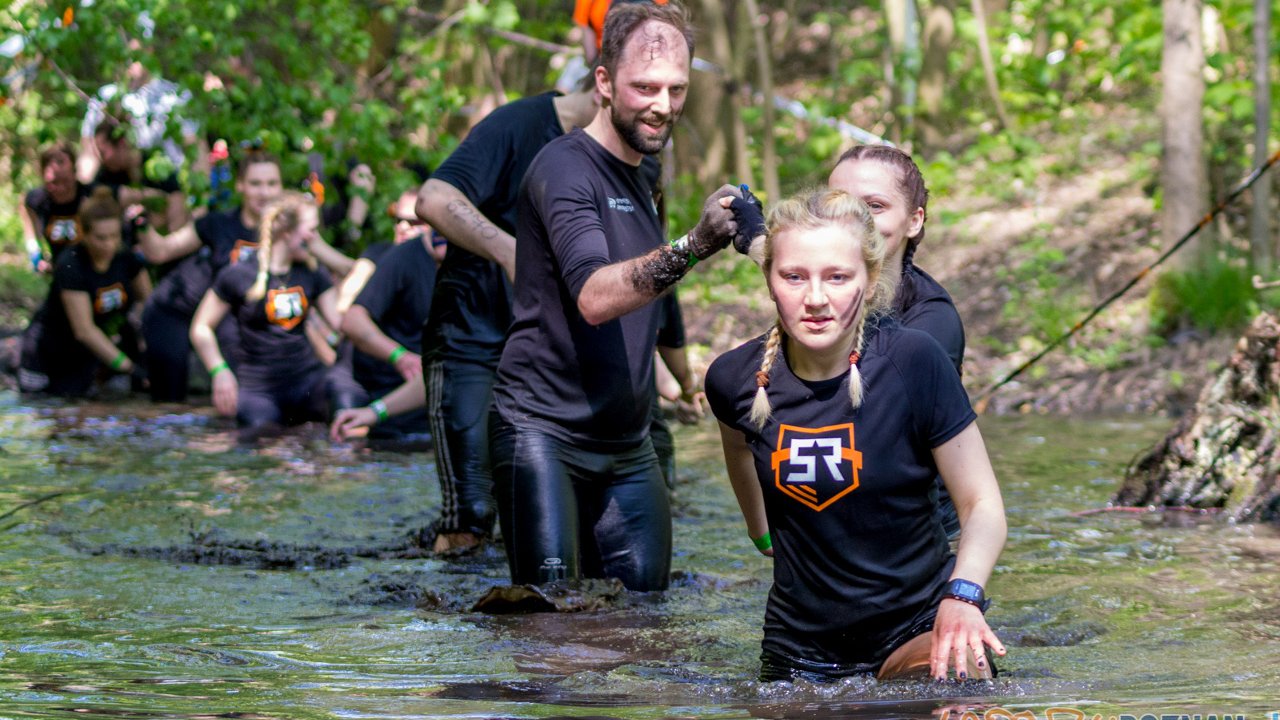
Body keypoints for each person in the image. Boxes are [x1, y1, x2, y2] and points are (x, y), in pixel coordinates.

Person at [705, 188, 1007, 683]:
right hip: (799, 645)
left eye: (838, 277)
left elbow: (982, 506)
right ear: (770, 279)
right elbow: (738, 449)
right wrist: (761, 533)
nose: (816, 298)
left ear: (868, 282)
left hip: (914, 626)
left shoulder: (915, 362)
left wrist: (963, 596)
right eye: (794, 276)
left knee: (961, 681)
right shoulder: (733, 378)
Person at [488, 0, 741, 592]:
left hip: (627, 445)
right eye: (645, 86)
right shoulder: (564, 169)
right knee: (549, 630)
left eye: (676, 89)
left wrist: (679, 374)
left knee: (646, 625)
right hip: (542, 433)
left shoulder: (646, 172)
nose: (662, 105)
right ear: (603, 82)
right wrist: (697, 243)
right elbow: (598, 297)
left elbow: (651, 286)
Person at [414, 74, 599, 553]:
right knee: (471, 516)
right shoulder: (519, 123)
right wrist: (510, 250)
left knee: (557, 514)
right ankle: (454, 618)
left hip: (549, 352)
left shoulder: (632, 154)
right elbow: (434, 198)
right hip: (469, 339)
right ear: (605, 83)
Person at [828, 144, 966, 536]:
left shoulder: (934, 319)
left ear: (914, 220)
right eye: (839, 204)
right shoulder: (808, 300)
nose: (854, 221)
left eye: (874, 206)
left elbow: (868, 411)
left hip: (921, 534)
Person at [190, 192, 341, 439]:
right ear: (287, 231)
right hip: (260, 389)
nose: (315, 239)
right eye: (311, 230)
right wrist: (219, 371)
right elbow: (201, 327)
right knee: (263, 438)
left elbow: (341, 325)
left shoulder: (313, 273)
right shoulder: (240, 274)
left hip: (306, 383)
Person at [138, 150, 283, 402]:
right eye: (255, 184)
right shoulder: (218, 223)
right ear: (240, 186)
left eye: (272, 184)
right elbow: (161, 251)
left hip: (225, 317)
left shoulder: (287, 229)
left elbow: (322, 260)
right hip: (173, 313)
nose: (264, 192)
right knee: (170, 403)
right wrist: (140, 224)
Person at [18, 186, 151, 396]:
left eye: (114, 236)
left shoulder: (127, 259)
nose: (109, 244)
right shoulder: (71, 264)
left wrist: (142, 347)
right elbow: (85, 330)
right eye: (101, 238)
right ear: (85, 235)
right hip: (50, 353)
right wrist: (129, 367)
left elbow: (148, 302)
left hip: (91, 354)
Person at [335, 189, 443, 440]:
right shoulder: (396, 257)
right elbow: (349, 316)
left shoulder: (478, 262)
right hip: (393, 389)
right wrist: (400, 356)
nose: (404, 227)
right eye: (398, 220)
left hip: (439, 391)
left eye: (414, 221)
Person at [20, 142, 97, 274]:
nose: (61, 189)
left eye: (65, 181)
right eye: (54, 182)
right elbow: (31, 233)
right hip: (60, 270)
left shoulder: (90, 197)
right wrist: (36, 257)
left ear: (74, 173)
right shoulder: (36, 201)